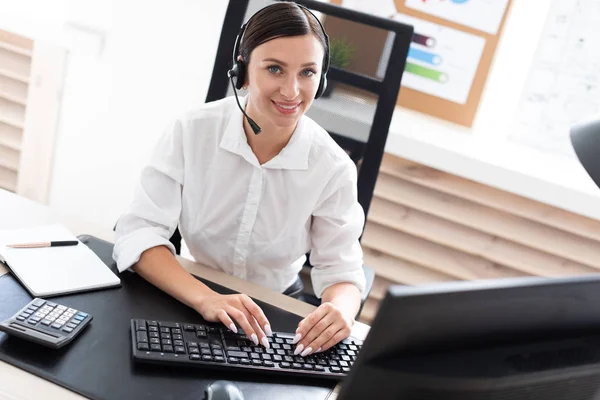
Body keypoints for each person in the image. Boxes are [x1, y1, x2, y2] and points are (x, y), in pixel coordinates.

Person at [113, 2, 366, 358]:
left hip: (274, 308)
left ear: (321, 80)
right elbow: (138, 234)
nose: (292, 91)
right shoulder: (192, 130)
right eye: (275, 69)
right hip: (189, 289)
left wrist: (340, 309)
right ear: (242, 72)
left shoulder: (333, 167)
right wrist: (207, 298)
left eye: (307, 72)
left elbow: (341, 268)